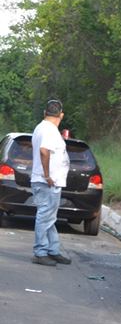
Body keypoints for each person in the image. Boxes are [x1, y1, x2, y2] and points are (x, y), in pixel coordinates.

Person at [30, 99, 72, 266]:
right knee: (45, 216)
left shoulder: (44, 128)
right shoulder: (48, 130)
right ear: (61, 115)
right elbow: (44, 151)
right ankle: (40, 252)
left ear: (45, 112)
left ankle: (52, 250)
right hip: (47, 181)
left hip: (49, 181)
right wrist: (47, 175)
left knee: (49, 217)